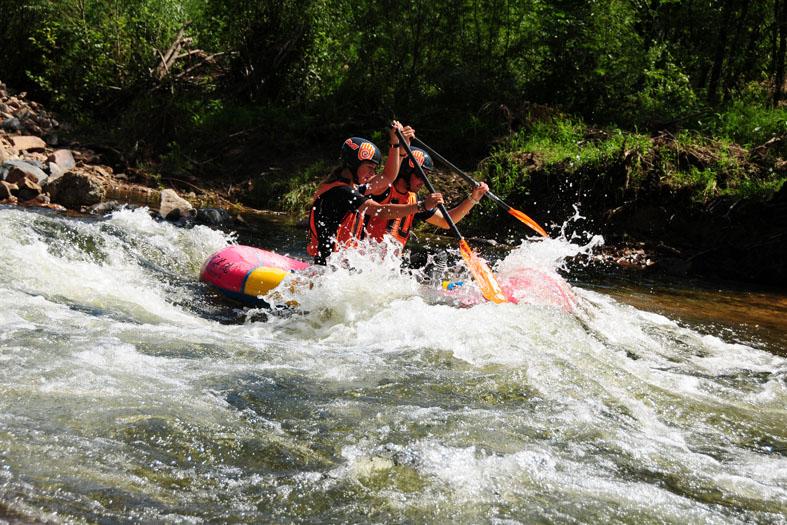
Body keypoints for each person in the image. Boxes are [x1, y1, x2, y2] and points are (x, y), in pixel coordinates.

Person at [307, 122, 442, 265]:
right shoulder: (340, 192)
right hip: (328, 268)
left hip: (344, 268)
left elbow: (388, 177)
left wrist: (397, 144)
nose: (372, 173)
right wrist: (421, 206)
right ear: (354, 164)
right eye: (369, 167)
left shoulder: (355, 188)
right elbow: (380, 211)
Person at [362, 146, 489, 252]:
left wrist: (473, 198)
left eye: (426, 176)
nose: (423, 181)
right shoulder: (381, 189)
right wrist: (397, 145)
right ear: (405, 171)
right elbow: (385, 176)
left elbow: (446, 222)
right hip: (365, 259)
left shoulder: (414, 199)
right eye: (419, 175)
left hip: (388, 267)